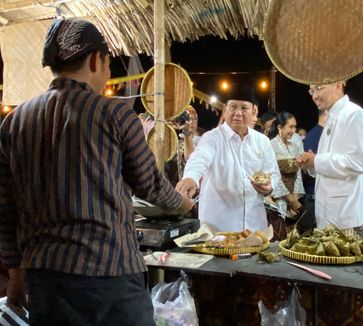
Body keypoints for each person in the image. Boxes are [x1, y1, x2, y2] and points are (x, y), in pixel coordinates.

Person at [0, 18, 193, 325]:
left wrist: (14, 274)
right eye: (108, 64)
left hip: (44, 279)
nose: (107, 74)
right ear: (95, 59)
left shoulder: (14, 121)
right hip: (108, 276)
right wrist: (183, 203)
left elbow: (6, 207)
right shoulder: (115, 114)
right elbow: (150, 185)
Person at [176, 86, 281, 232]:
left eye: (244, 108)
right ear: (225, 109)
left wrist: (269, 187)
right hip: (218, 229)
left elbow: (273, 174)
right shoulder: (212, 138)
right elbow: (200, 158)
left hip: (255, 227)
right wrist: (190, 178)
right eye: (233, 107)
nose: (238, 113)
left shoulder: (262, 141)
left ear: (254, 111)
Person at [297, 82, 363, 232]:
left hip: (349, 214)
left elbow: (358, 162)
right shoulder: (332, 116)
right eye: (312, 90)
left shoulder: (353, 114)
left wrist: (316, 161)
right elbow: (329, 163)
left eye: (319, 88)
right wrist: (311, 164)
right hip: (333, 213)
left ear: (338, 85)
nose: (315, 96)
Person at [267, 111, 305, 240]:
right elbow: (274, 175)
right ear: (279, 127)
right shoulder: (270, 146)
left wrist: (295, 198)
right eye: (290, 126)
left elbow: (298, 174)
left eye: (295, 127)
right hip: (278, 200)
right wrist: (290, 200)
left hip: (294, 198)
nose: (293, 130)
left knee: (294, 238)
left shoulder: (294, 147)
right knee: (279, 236)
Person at [299, 110, 327, 232]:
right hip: (315, 196)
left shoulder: (317, 134)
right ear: (327, 114)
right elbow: (306, 168)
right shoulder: (317, 135)